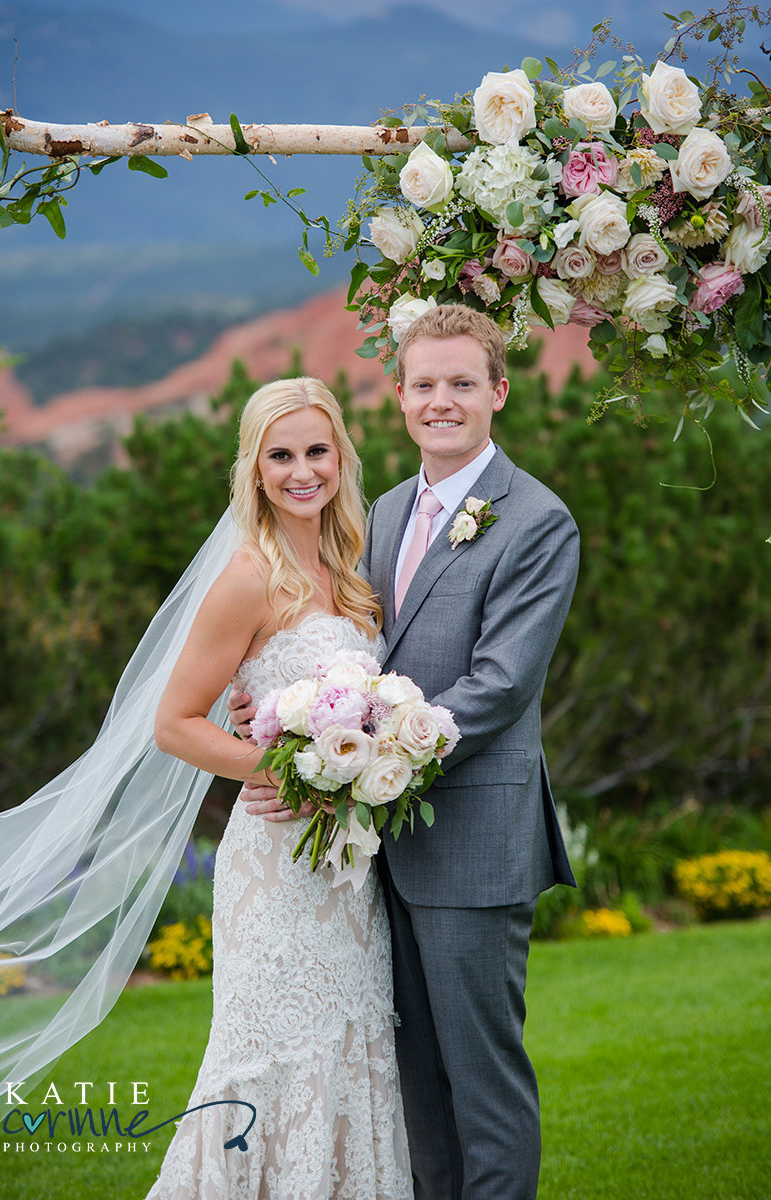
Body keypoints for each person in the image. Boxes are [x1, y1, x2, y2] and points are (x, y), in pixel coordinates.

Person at [234, 306, 580, 1200]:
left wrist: (356, 758)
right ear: (397, 396)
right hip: (379, 852)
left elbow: (499, 685)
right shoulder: (382, 512)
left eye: (462, 383)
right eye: (423, 384)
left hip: (472, 843)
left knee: (483, 1085)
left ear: (498, 393)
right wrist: (281, 711)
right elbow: (352, 647)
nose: (441, 401)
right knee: (414, 1091)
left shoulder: (538, 521)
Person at [144, 377, 412, 1199]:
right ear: (255, 471)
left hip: (350, 870)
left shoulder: (352, 563)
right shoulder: (247, 576)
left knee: (351, 1047)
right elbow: (176, 722)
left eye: (317, 451)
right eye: (282, 455)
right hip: (275, 866)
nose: (303, 471)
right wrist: (281, 772)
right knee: (271, 1055)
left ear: (341, 457)